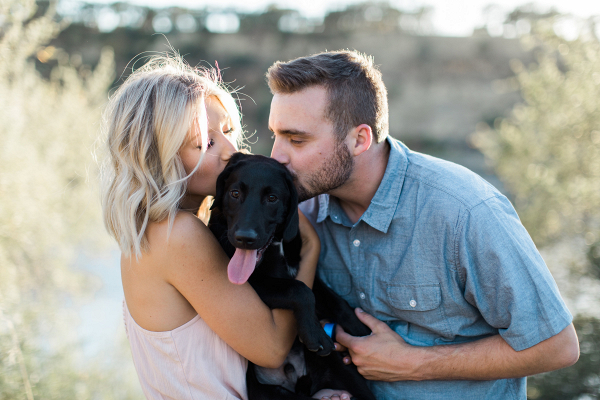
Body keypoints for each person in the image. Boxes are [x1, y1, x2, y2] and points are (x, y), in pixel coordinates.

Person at [267, 50, 580, 399]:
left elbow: (558, 346)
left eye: (296, 140)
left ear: (359, 140)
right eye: (275, 136)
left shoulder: (465, 212)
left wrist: (414, 363)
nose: (276, 156)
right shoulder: (302, 212)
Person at [100, 55, 345, 400]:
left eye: (229, 131)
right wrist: (308, 250)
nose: (231, 151)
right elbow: (272, 348)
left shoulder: (158, 231)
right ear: (159, 156)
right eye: (206, 143)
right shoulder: (178, 236)